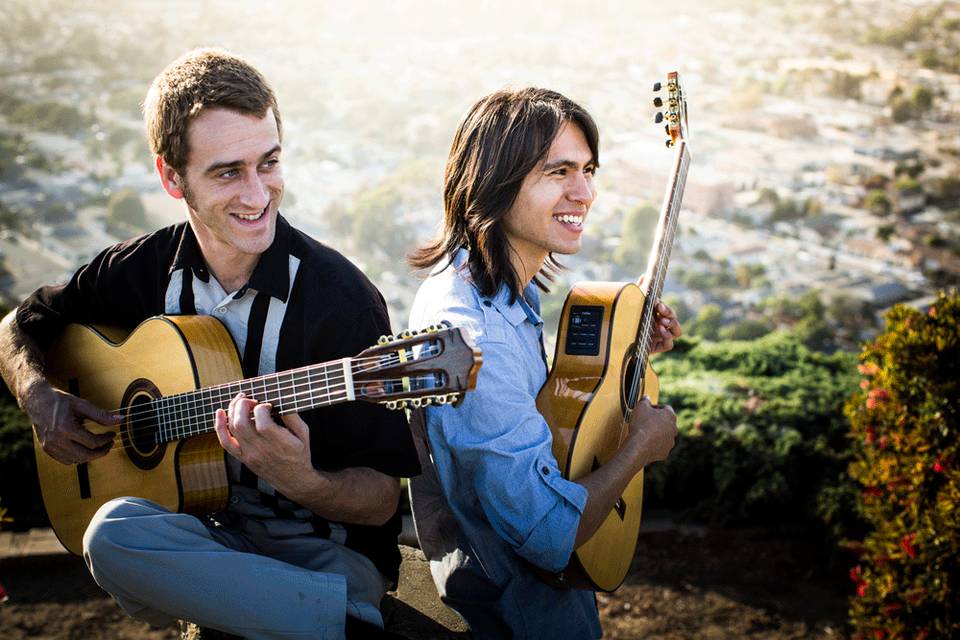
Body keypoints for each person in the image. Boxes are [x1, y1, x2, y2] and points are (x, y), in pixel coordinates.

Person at [0, 49, 420, 639]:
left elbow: (381, 502)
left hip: (322, 553)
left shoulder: (339, 300)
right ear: (172, 177)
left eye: (268, 162)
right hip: (205, 532)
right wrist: (38, 395)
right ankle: (318, 621)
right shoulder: (144, 268)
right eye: (228, 172)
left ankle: (318, 613)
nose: (258, 194)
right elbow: (18, 325)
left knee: (319, 582)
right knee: (109, 533)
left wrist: (304, 480)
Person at [406, 88, 681, 639]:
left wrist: (619, 356)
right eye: (558, 172)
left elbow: (546, 410)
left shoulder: (502, 291)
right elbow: (551, 533)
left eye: (587, 169)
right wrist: (639, 449)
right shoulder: (475, 335)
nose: (585, 192)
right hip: (514, 611)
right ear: (496, 180)